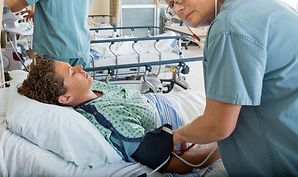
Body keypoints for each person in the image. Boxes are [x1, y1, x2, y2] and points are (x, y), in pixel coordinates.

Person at [151, 0, 298, 176]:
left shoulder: (229, 27)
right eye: (171, 4)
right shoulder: (263, 5)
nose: (177, 9)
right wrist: (201, 157)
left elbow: (218, 125)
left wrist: (175, 136)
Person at [17, 58, 221, 174]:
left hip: (170, 102)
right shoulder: (107, 120)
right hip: (180, 120)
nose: (80, 67)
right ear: (65, 98)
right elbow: (171, 162)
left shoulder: (91, 87)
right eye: (72, 72)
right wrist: (222, 151)